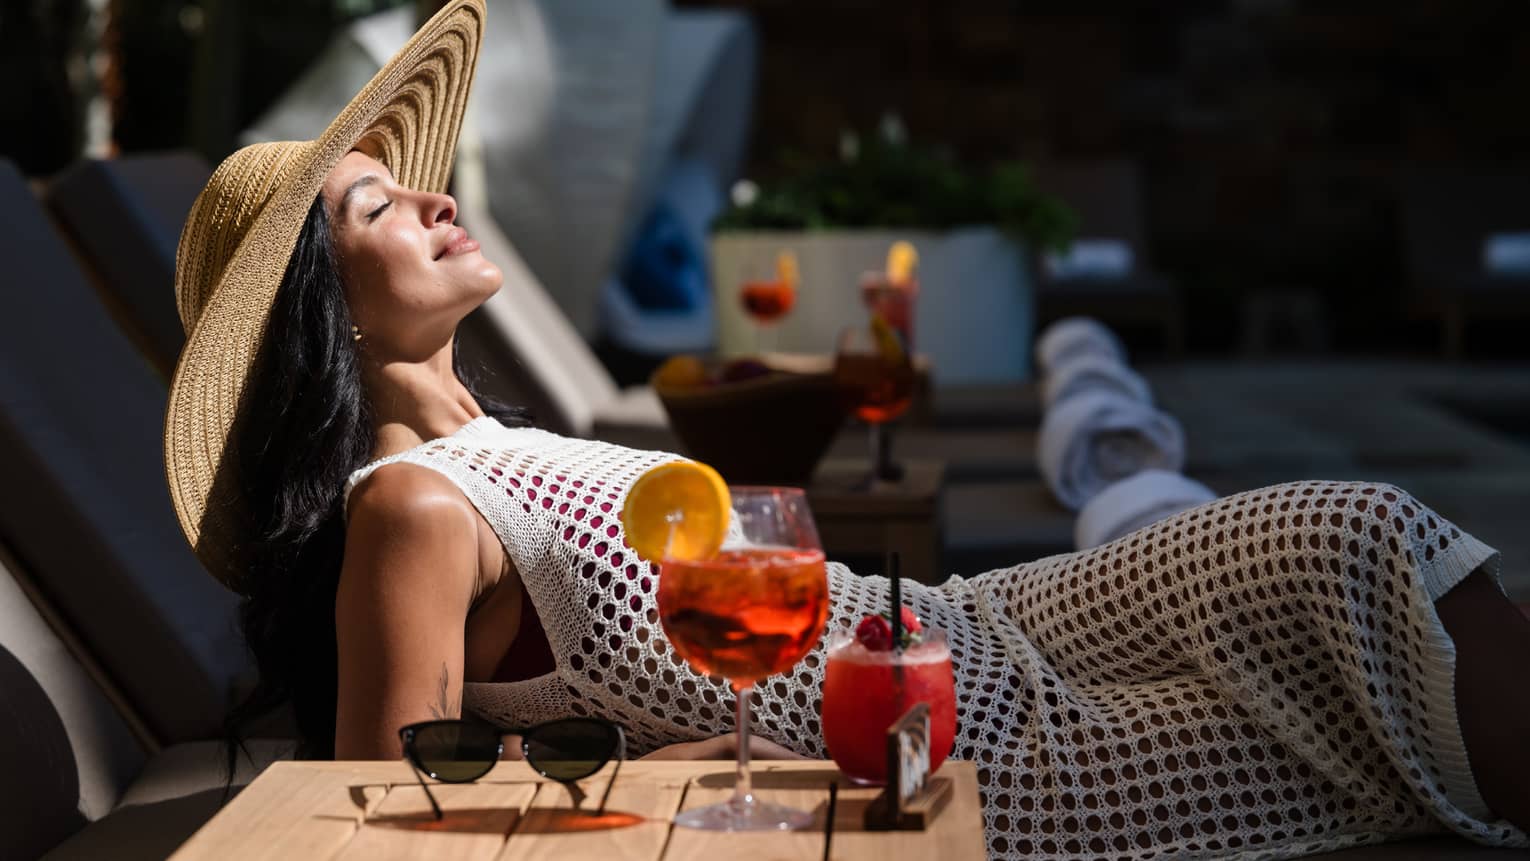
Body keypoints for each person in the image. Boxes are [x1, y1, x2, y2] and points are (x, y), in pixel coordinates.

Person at [165, 2, 1530, 857]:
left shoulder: (484, 442)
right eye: (373, 211)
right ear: (324, 313)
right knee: (1348, 577)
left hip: (970, 621)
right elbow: (376, 798)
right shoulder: (409, 505)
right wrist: (652, 774)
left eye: (408, 182)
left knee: (1337, 542)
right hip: (938, 747)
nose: (427, 199)